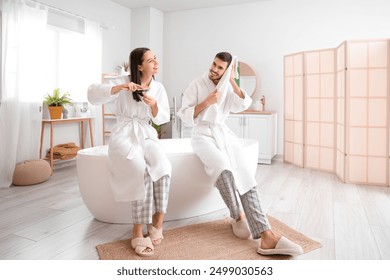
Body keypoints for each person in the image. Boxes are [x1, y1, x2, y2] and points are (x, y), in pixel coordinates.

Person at [178, 52, 303, 256]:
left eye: (220, 68)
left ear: (226, 70)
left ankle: (266, 235)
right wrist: (207, 102)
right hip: (201, 135)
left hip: (223, 134)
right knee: (223, 168)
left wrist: (233, 82)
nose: (214, 69)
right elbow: (184, 114)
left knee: (245, 174)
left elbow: (243, 104)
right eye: (214, 64)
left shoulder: (228, 87)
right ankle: (238, 217)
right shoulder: (196, 84)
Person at [88, 47, 172, 257]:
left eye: (155, 59)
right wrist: (120, 87)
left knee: (163, 165)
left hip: (145, 132)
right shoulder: (123, 80)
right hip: (124, 133)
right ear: (139, 66)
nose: (156, 63)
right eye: (151, 60)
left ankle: (157, 223)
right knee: (139, 169)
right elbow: (92, 94)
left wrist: (153, 107)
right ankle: (137, 230)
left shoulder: (158, 87)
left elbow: (163, 118)